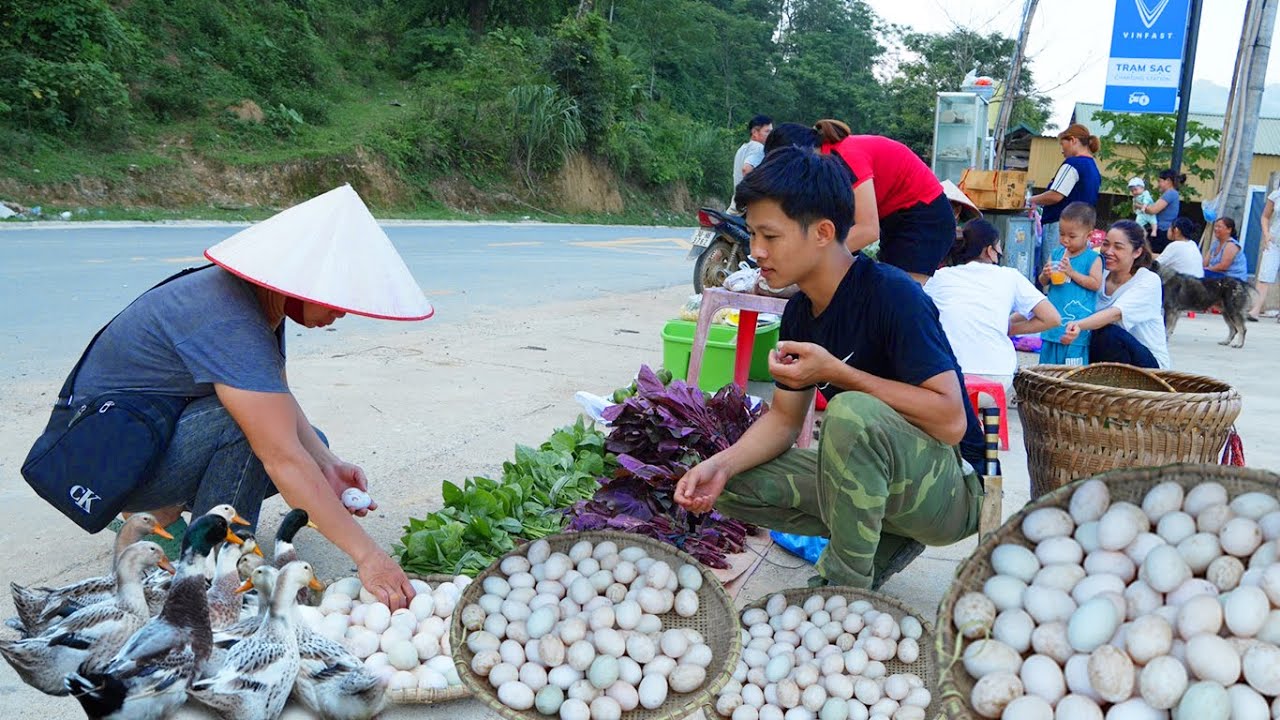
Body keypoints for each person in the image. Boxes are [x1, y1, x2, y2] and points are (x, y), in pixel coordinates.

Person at [26, 185, 430, 610]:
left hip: (140, 437)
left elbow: (276, 396)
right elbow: (280, 454)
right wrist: (370, 557)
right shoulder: (231, 320)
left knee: (311, 445)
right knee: (253, 432)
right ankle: (210, 568)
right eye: (338, 295)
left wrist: (329, 467)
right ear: (300, 281)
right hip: (102, 464)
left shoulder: (256, 303)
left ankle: (183, 515)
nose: (343, 312)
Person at [672, 145, 985, 590]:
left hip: (951, 489)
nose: (756, 251)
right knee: (730, 482)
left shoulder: (893, 295)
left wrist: (839, 373)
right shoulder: (800, 313)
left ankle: (844, 591)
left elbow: (952, 422)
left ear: (822, 232)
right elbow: (783, 420)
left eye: (770, 236)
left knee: (851, 414)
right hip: (885, 479)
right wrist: (721, 464)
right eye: (753, 235)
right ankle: (884, 539)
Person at [763, 120, 954, 283]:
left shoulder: (845, 158)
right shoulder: (824, 165)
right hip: (895, 218)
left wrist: (810, 257)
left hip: (924, 218)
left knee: (900, 299)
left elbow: (867, 230)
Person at [925, 219, 1060, 398]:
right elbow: (1052, 318)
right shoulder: (1009, 276)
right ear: (989, 250)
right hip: (996, 379)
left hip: (948, 378)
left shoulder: (939, 277)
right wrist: (1006, 329)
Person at [1062, 220, 1171, 369]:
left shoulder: (1148, 280)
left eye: (1118, 247)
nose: (1108, 251)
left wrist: (1077, 325)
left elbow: (1114, 315)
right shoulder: (1099, 274)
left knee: (1106, 332)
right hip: (1111, 358)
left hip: (1149, 368)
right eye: (1106, 244)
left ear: (1137, 252)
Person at [1028, 124, 1101, 283]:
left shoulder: (1073, 163)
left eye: (1063, 144)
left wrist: (1030, 200)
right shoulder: (1093, 167)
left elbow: (1056, 195)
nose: (1062, 150)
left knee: (1054, 272)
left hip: (1062, 226)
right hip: (1083, 228)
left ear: (1073, 140)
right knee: (1073, 272)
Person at [1038, 202, 1104, 366]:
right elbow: (1042, 282)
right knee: (1047, 368)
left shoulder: (1092, 258)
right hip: (1052, 325)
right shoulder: (1056, 254)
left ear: (1088, 236)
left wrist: (1072, 272)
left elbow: (1095, 284)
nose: (1065, 240)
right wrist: (1045, 275)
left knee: (1071, 371)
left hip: (1076, 329)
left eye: (1072, 236)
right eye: (1062, 234)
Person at [1248, 186, 1280, 320]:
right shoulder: (1276, 195)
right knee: (1264, 275)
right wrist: (1266, 235)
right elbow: (1265, 216)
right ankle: (1255, 310)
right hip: (1274, 240)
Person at [729, 115, 772, 210]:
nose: (771, 135)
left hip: (738, 203)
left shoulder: (743, 148)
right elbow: (746, 169)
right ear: (754, 132)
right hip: (748, 206)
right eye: (767, 131)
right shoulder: (758, 148)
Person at [1139, 169, 1185, 253]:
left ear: (1168, 181)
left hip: (1162, 231)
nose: (1158, 185)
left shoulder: (1170, 193)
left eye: (1159, 181)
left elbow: (1153, 210)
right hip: (1162, 230)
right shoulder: (1171, 194)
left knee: (1152, 254)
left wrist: (1139, 206)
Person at [1204, 217, 1248, 281]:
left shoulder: (1231, 245)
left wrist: (1207, 269)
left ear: (1229, 230)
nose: (1216, 229)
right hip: (1218, 276)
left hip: (1233, 280)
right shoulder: (1215, 244)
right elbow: (1205, 263)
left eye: (1219, 227)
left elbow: (1223, 266)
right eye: (1215, 226)